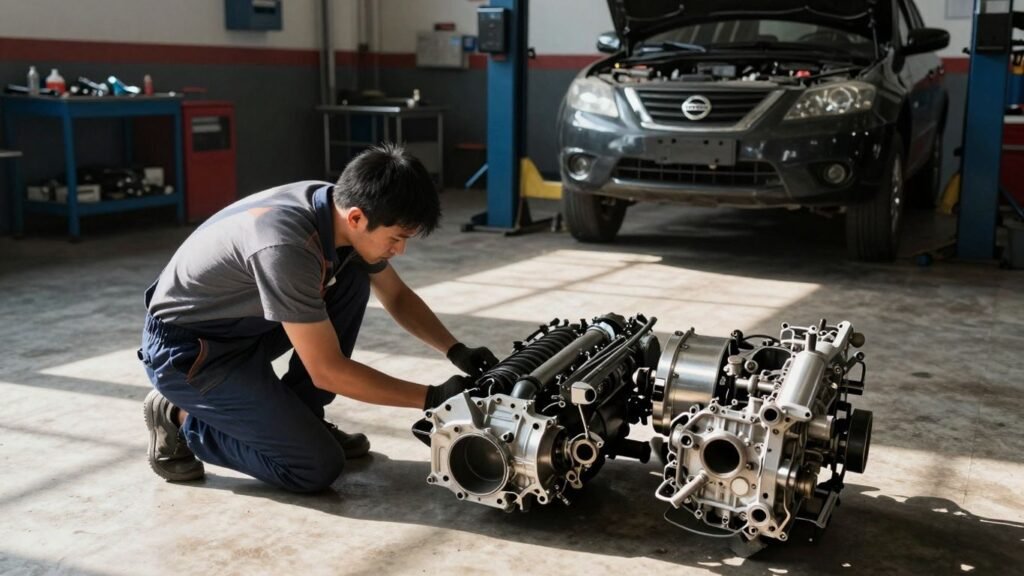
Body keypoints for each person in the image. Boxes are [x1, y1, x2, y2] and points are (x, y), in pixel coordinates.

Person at [138, 143, 498, 493]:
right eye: (397, 238)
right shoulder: (288, 247)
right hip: (191, 353)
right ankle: (181, 418)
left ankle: (304, 418)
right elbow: (327, 371)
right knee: (314, 466)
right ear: (357, 217)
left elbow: (397, 295)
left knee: (353, 275)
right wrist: (433, 397)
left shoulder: (337, 209)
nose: (399, 250)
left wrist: (456, 350)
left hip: (243, 325)